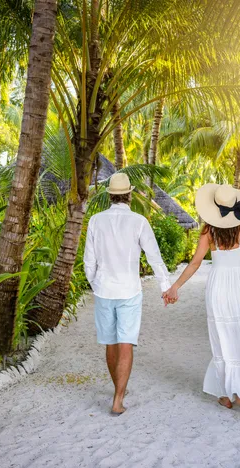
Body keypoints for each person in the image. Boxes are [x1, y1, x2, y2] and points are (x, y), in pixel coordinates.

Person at [163, 184, 240, 408]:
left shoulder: (208, 231)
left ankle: (225, 393)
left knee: (221, 337)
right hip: (238, 287)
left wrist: (175, 287)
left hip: (217, 287)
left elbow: (195, 263)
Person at [83, 172, 171, 415]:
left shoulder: (95, 221)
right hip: (129, 290)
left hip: (104, 291)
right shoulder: (139, 221)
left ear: (110, 196)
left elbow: (88, 261)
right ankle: (118, 398)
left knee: (110, 344)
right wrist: (166, 288)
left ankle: (117, 389)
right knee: (126, 343)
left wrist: (96, 283)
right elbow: (154, 256)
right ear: (129, 195)